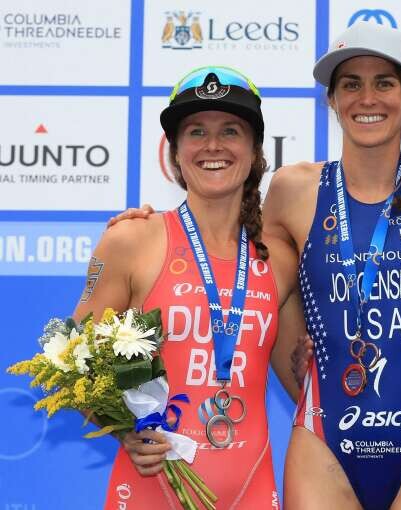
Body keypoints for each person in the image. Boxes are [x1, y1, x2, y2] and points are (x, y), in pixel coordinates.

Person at [264, 22, 401, 510]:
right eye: (351, 84)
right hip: (322, 441)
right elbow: (249, 279)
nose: (367, 98)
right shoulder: (292, 190)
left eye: (384, 82)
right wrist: (149, 224)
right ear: (332, 100)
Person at [76, 66, 301, 509]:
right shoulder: (131, 240)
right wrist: (123, 430)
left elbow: (303, 382)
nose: (213, 146)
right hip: (151, 485)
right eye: (196, 132)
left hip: (252, 491)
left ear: (255, 150)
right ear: (175, 153)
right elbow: (75, 362)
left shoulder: (278, 259)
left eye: (230, 131)